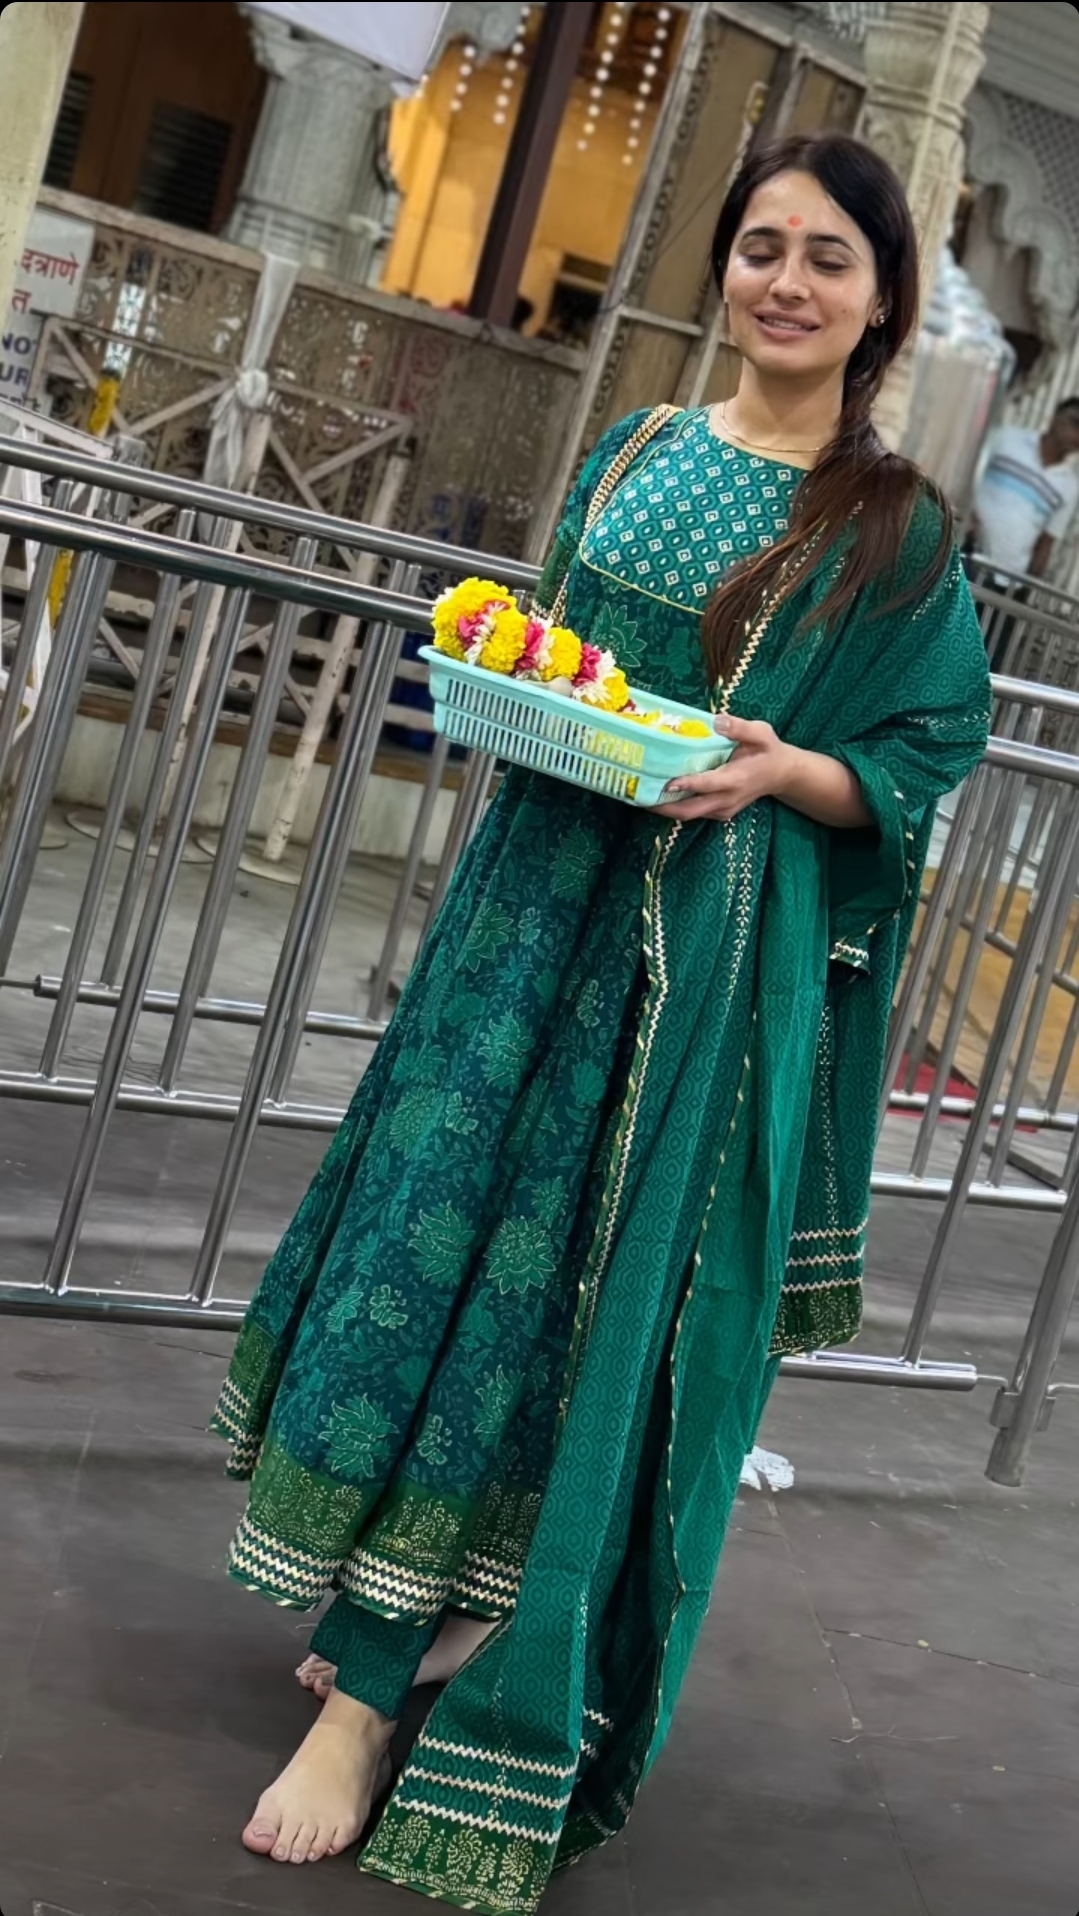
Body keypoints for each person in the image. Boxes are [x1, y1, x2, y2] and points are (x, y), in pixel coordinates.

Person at [212, 132, 990, 1911]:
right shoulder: (637, 446)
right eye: (760, 245)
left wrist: (792, 771)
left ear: (880, 302)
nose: (783, 282)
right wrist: (505, 665)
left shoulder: (889, 529)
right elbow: (557, 640)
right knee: (432, 1243)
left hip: (679, 971)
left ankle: (389, 1688)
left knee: (548, 1302)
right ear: (723, 263)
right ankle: (389, 1608)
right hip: (521, 918)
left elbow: (926, 747)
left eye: (828, 258)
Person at [971, 398, 1079, 581]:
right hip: (966, 555)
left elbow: (1045, 543)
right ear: (1055, 416)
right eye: (1075, 423)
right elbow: (966, 477)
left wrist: (1027, 588)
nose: (1076, 435)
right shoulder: (1007, 440)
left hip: (1005, 581)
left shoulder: (1069, 486)